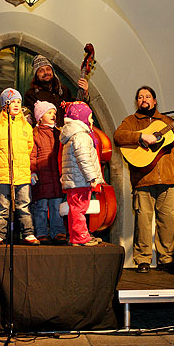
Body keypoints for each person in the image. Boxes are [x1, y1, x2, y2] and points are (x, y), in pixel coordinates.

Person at [113, 86, 174, 273]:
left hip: (167, 178)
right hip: (143, 179)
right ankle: (143, 260)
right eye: (140, 97)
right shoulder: (131, 121)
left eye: (148, 96)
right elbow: (118, 136)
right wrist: (142, 136)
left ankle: (166, 260)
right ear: (137, 102)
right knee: (143, 222)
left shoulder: (167, 121)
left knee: (167, 221)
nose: (144, 99)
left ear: (154, 101)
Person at [0, 88, 39, 245]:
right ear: (3, 105)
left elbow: (29, 148)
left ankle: (28, 233)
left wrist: (23, 162)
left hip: (22, 173)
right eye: (12, 101)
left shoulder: (26, 126)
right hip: (2, 173)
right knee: (2, 204)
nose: (16, 105)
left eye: (18, 102)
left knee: (24, 204)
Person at [60, 101, 104, 246]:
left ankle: (75, 237)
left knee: (74, 208)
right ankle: (81, 237)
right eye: (90, 117)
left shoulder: (71, 135)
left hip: (75, 179)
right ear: (83, 118)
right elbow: (84, 159)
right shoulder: (81, 136)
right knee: (79, 209)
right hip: (81, 180)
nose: (91, 121)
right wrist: (92, 177)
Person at [31, 101, 66, 244]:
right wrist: (32, 171)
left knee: (57, 207)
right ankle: (41, 232)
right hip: (41, 176)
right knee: (41, 207)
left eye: (54, 113)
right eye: (49, 112)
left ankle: (58, 232)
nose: (53, 115)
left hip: (56, 175)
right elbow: (32, 155)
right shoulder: (36, 133)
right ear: (40, 116)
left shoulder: (59, 133)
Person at [23, 54, 88, 124]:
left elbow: (77, 108)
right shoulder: (31, 95)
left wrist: (85, 92)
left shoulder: (64, 90)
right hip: (45, 133)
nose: (46, 73)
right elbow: (31, 120)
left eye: (48, 69)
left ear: (53, 72)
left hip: (65, 132)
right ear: (36, 75)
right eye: (41, 71)